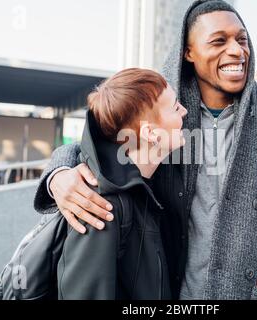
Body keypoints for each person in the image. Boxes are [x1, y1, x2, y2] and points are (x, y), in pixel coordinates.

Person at [34, 0, 257, 300]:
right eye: (219, 41)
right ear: (189, 52)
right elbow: (97, 142)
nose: (237, 51)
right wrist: (58, 175)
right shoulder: (164, 110)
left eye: (242, 39)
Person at [56, 68, 188, 299]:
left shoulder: (149, 184)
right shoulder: (102, 205)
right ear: (151, 133)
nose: (185, 112)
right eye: (176, 107)